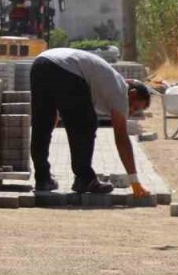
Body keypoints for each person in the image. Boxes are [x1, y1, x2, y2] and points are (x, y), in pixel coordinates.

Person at [29, 47, 152, 196]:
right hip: (67, 70)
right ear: (132, 94)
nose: (131, 112)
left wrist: (47, 128)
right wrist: (134, 181)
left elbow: (54, 113)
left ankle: (42, 178)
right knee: (86, 124)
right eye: (135, 107)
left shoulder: (107, 81)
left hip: (41, 63)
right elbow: (121, 139)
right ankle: (85, 179)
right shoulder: (120, 92)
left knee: (41, 125)